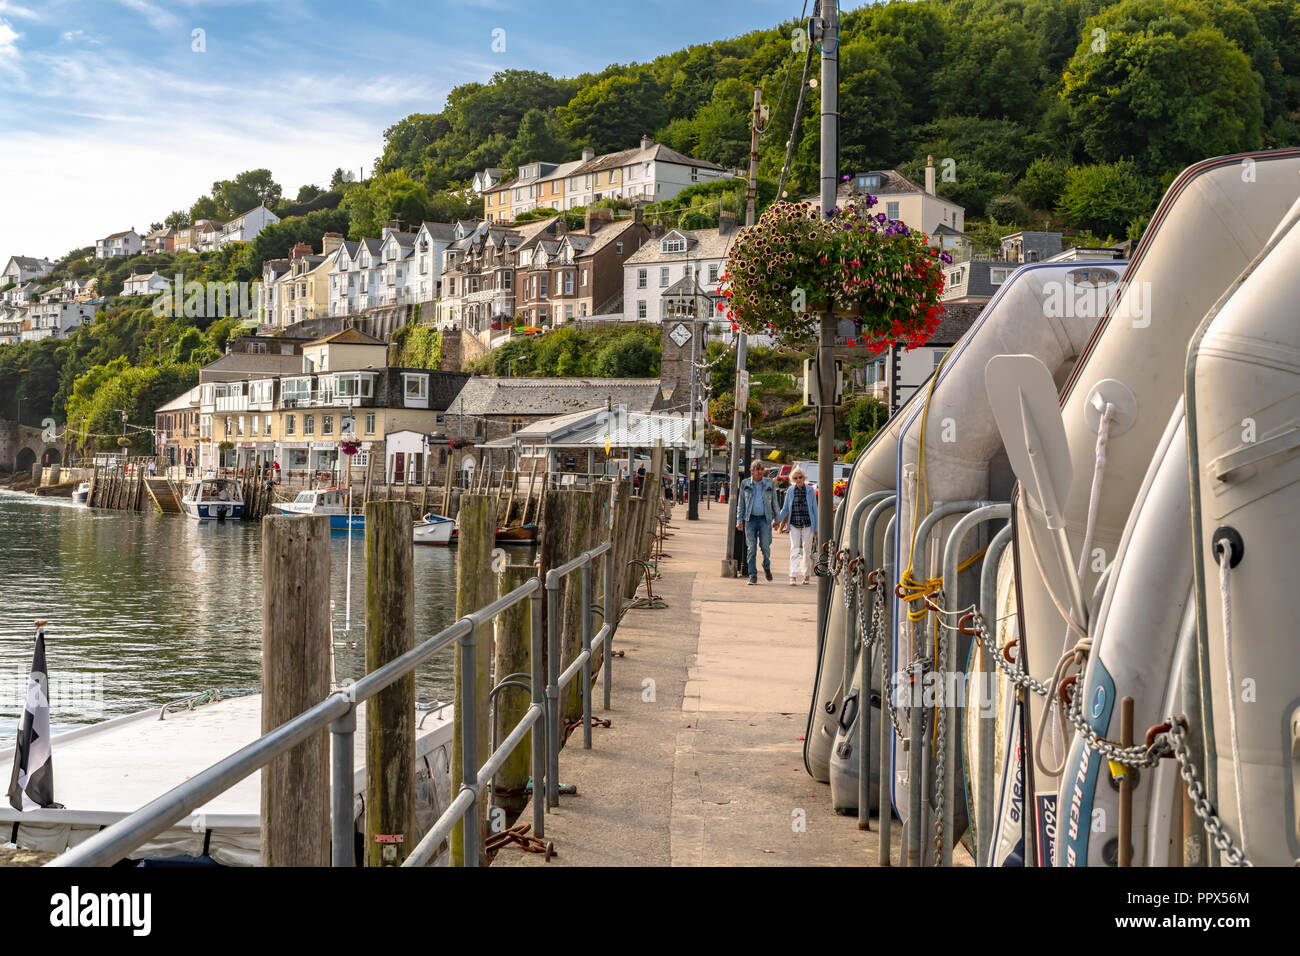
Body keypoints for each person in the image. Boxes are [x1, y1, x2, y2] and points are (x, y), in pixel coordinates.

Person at [736, 461, 777, 585]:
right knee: (751, 548)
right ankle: (752, 575)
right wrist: (739, 521)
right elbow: (741, 504)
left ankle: (766, 565)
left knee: (765, 547)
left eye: (761, 468)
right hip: (750, 519)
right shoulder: (745, 483)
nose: (760, 471)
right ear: (752, 470)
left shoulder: (770, 483)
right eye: (757, 469)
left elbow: (775, 502)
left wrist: (777, 520)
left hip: (765, 519)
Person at [775, 467, 818, 585]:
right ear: (792, 479)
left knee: (807, 550)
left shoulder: (810, 491)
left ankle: (806, 574)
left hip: (808, 524)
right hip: (794, 524)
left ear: (804, 478)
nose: (798, 479)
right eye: (795, 478)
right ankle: (793, 575)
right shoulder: (790, 491)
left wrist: (816, 528)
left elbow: (815, 509)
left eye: (800, 477)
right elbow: (785, 509)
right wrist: (777, 520)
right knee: (794, 549)